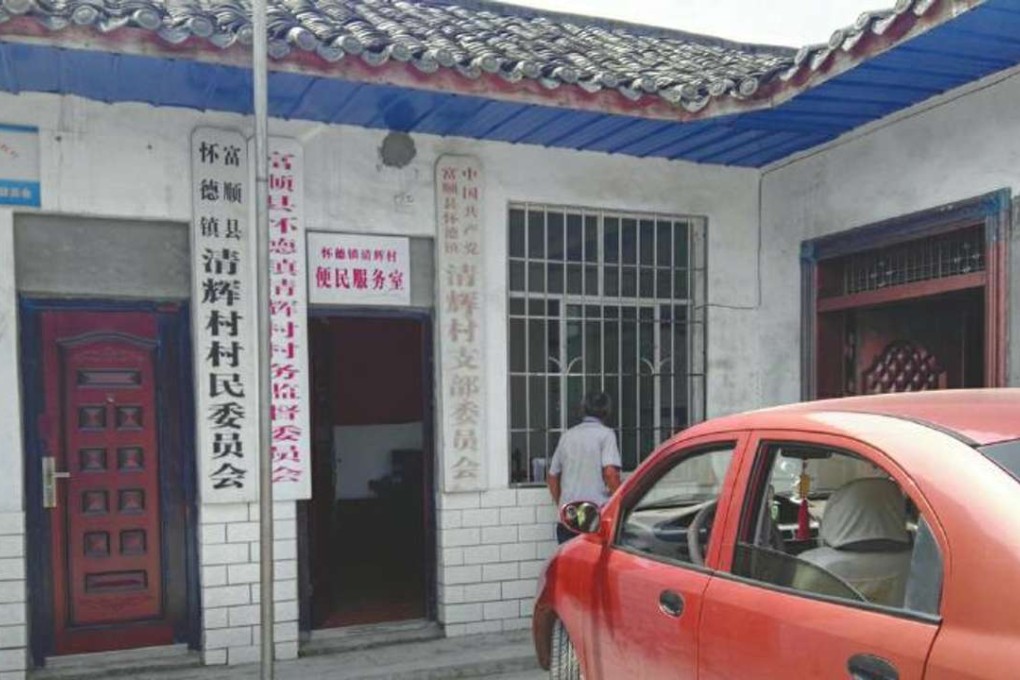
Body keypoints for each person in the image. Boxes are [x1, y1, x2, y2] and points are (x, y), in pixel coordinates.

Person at [547, 391, 622, 543]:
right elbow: (610, 474)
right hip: (593, 515)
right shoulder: (606, 435)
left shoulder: (567, 436)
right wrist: (621, 500)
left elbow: (552, 476)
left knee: (569, 557)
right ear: (607, 411)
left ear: (583, 409)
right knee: (592, 558)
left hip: (568, 514)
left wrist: (562, 503)